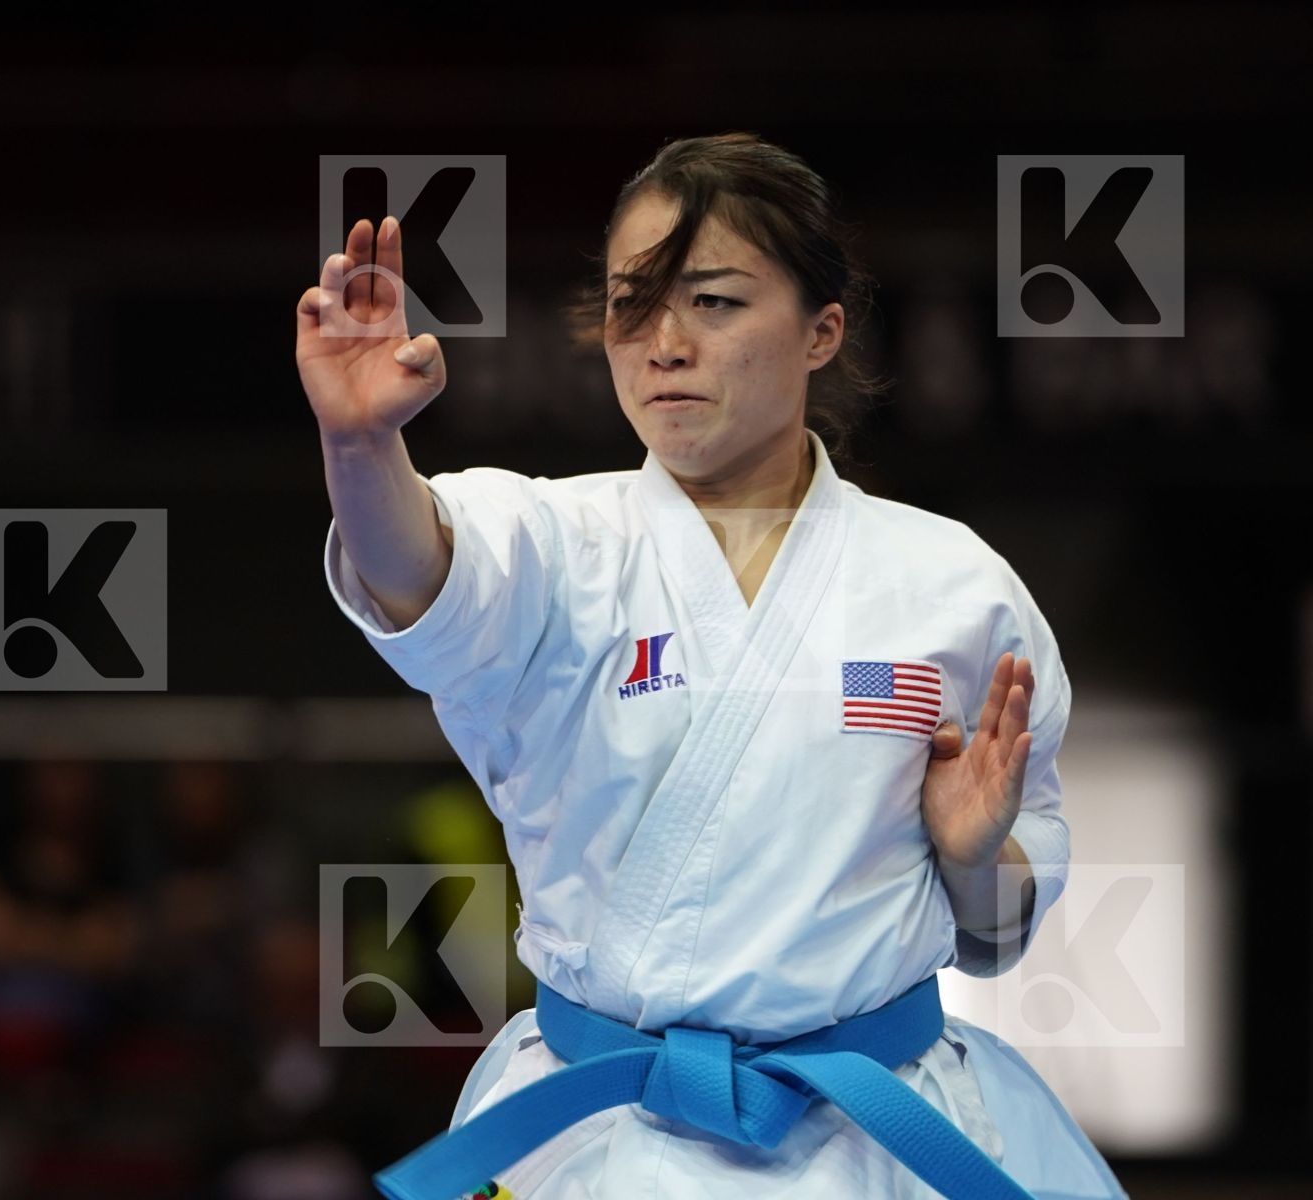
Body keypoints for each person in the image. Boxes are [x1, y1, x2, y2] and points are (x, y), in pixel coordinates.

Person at [294, 133, 1128, 1199]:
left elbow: (1001, 928)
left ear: (822, 330)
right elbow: (417, 569)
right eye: (631, 303)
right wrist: (362, 450)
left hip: (877, 1132)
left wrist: (971, 856)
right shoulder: (556, 544)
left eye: (717, 302)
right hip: (605, 1133)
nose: (664, 343)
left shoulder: (952, 587)